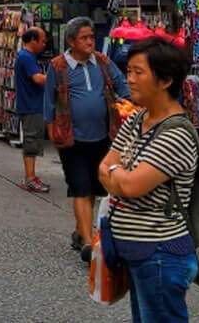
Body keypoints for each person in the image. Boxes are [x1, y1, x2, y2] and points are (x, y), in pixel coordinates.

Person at [98, 38, 199, 323]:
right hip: (138, 251)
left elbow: (131, 185)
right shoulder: (138, 118)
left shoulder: (176, 133)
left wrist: (117, 174)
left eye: (138, 72)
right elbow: (104, 167)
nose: (129, 79)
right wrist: (120, 174)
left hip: (161, 254)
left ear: (165, 80)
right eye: (128, 71)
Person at [44, 16, 129, 262]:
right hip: (72, 138)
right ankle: (90, 243)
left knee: (94, 188)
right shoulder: (58, 66)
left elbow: (122, 86)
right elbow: (49, 101)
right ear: (71, 41)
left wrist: (127, 103)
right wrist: (52, 133)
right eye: (84, 38)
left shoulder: (102, 62)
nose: (90, 41)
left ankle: (81, 233)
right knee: (80, 189)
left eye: (91, 37)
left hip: (102, 137)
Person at [15, 27, 50, 193]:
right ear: (33, 41)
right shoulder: (27, 57)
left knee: (33, 140)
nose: (44, 44)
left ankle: (31, 176)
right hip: (30, 105)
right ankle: (30, 178)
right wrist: (57, 78)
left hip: (32, 104)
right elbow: (37, 78)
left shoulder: (27, 56)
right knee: (31, 141)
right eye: (42, 41)